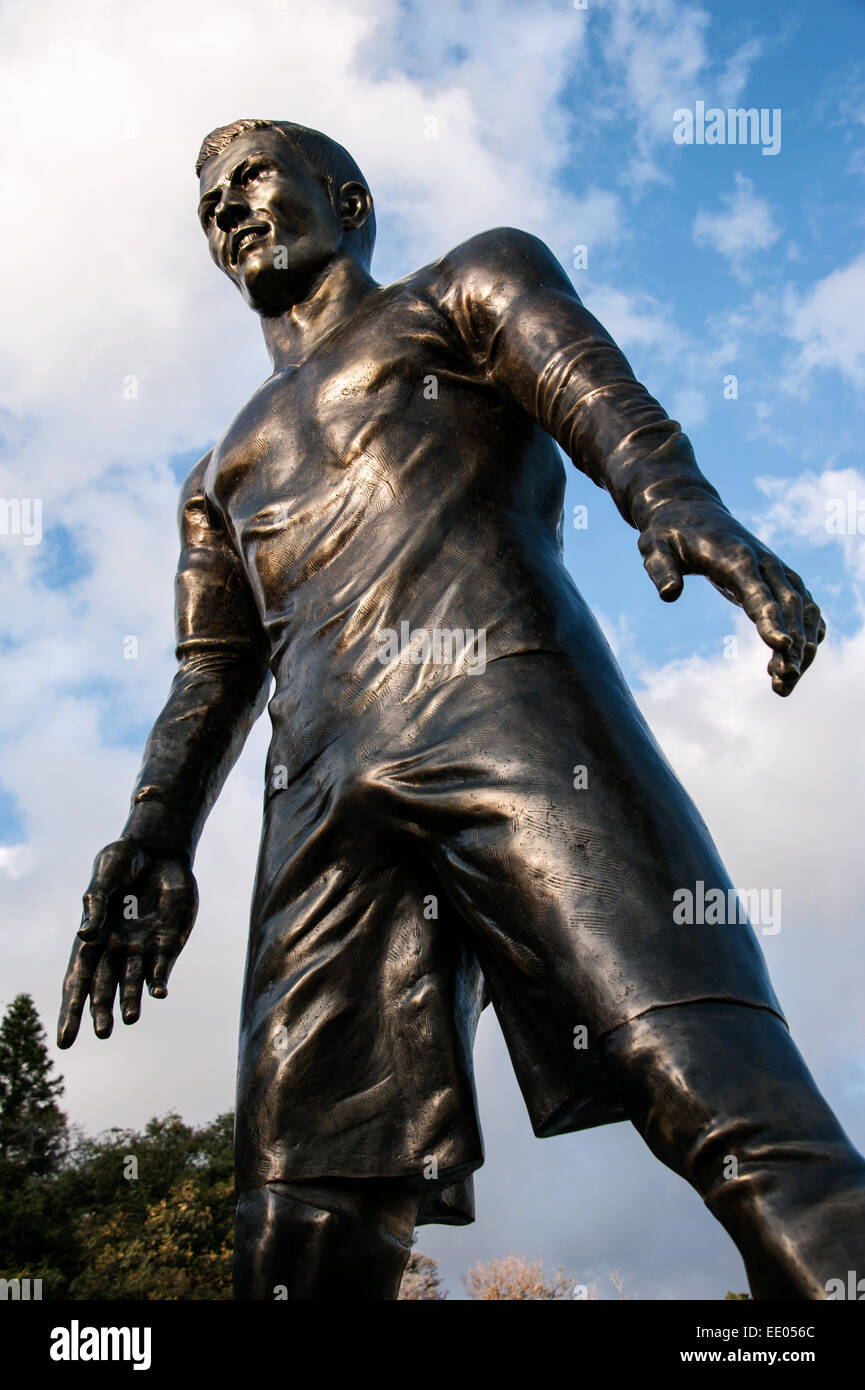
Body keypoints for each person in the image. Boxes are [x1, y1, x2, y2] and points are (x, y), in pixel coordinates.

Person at [58, 119, 865, 1299]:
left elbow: (596, 396)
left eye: (251, 179)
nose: (227, 208)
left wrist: (675, 498)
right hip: (321, 806)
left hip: (513, 720)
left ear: (345, 195)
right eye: (207, 204)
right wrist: (150, 831)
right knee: (298, 1217)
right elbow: (210, 672)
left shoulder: (468, 282)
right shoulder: (217, 470)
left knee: (721, 1094)